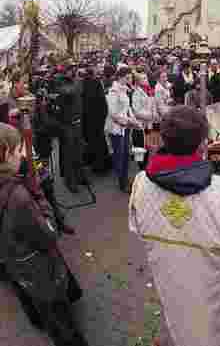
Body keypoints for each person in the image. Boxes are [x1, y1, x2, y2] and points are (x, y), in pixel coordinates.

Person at [129, 106, 220, 346]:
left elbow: (137, 229)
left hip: (169, 284)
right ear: (201, 144)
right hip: (214, 295)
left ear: (163, 138)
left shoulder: (140, 184)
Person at [0, 123, 87, 346]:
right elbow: (48, 234)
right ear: (5, 153)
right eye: (18, 149)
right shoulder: (18, 197)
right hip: (39, 269)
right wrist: (38, 196)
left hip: (15, 262)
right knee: (60, 320)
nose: (22, 154)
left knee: (37, 302)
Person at [106, 67, 139, 192]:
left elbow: (127, 107)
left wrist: (133, 119)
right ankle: (122, 183)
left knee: (125, 155)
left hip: (124, 127)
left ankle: (125, 178)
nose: (130, 79)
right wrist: (129, 121)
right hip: (117, 128)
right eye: (128, 77)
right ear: (121, 77)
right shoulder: (114, 91)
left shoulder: (124, 89)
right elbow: (113, 113)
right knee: (120, 156)